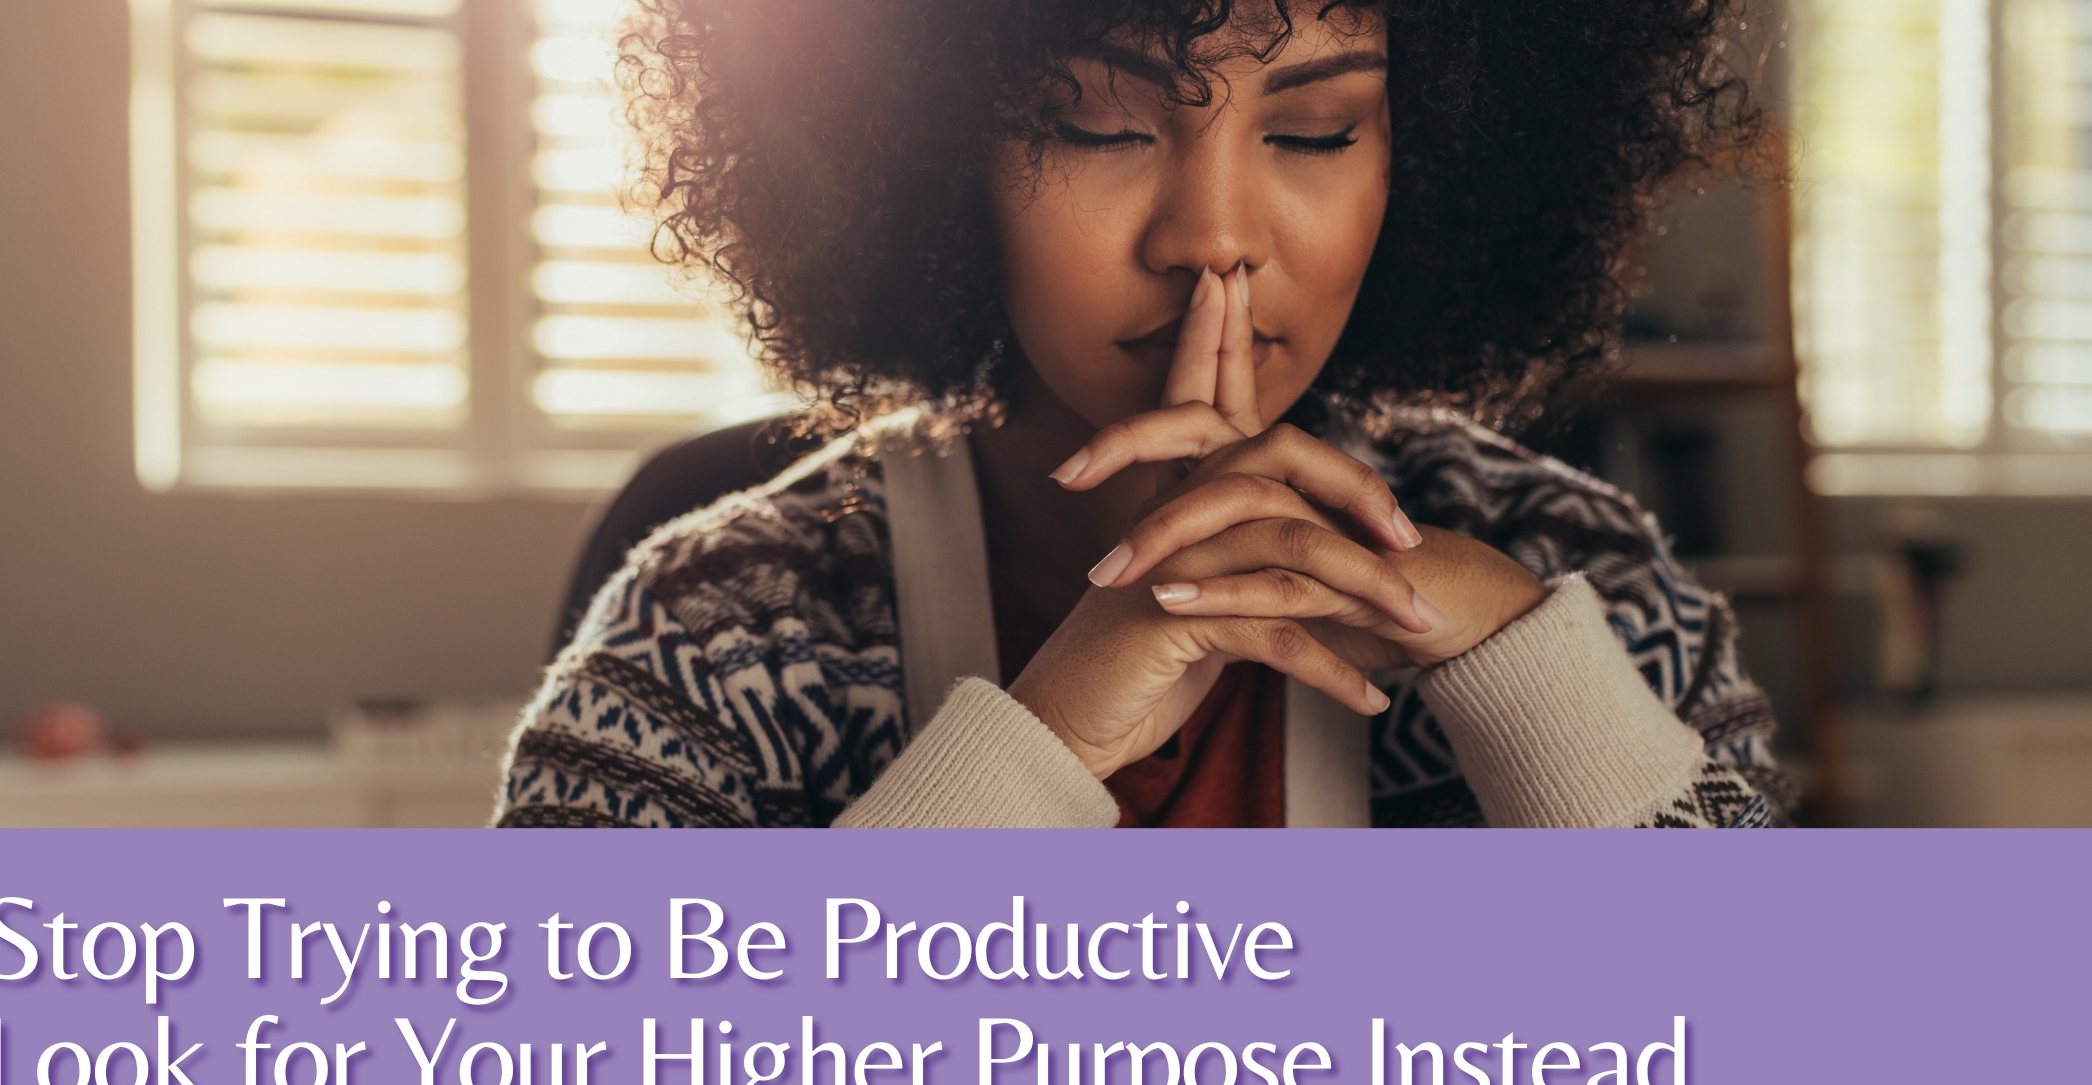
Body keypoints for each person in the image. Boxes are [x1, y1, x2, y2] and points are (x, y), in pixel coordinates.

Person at [495, 0, 1790, 828]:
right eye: (1095, 128)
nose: (1214, 239)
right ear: (935, 156)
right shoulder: (715, 635)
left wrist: (1528, 681)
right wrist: (1048, 739)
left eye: (1321, 132)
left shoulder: (1587, 587)